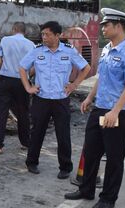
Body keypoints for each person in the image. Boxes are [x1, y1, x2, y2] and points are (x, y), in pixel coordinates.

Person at [64, 8, 125, 208]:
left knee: (114, 158)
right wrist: (89, 98)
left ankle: (108, 198)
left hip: (118, 113)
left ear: (118, 26)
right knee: (91, 152)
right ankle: (86, 189)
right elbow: (102, 77)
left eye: (106, 25)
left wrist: (115, 111)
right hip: (100, 109)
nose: (103, 28)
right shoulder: (107, 49)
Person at [19, 21, 91, 178]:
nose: (44, 37)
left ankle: (65, 167)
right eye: (42, 34)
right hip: (41, 99)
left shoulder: (69, 51)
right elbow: (22, 67)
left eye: (47, 34)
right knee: (37, 132)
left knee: (63, 134)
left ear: (57, 35)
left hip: (61, 100)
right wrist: (28, 87)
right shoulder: (37, 51)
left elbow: (86, 68)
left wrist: (74, 85)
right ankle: (32, 162)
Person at [0, 22, 35, 154]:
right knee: (23, 113)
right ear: (24, 31)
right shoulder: (31, 45)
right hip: (22, 82)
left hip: (6, 80)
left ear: (14, 29)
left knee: (2, 112)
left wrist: (4, 70)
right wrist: (27, 77)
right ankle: (26, 143)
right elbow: (34, 67)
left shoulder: (5, 40)